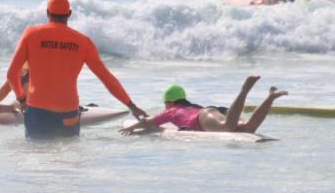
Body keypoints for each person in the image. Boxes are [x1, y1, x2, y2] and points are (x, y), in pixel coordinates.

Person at [6, 0, 147, 139]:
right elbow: (107, 78)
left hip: (38, 111)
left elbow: (12, 74)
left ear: (47, 13)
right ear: (69, 14)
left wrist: (22, 99)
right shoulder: (83, 42)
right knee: (68, 157)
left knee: (39, 156)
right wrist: (131, 106)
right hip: (68, 112)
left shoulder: (31, 34)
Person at [120, 76, 287, 135]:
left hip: (202, 119)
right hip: (209, 111)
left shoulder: (171, 112)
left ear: (169, 102)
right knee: (249, 129)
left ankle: (244, 90)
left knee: (227, 126)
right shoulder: (188, 107)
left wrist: (132, 127)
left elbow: (149, 122)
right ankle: (270, 98)